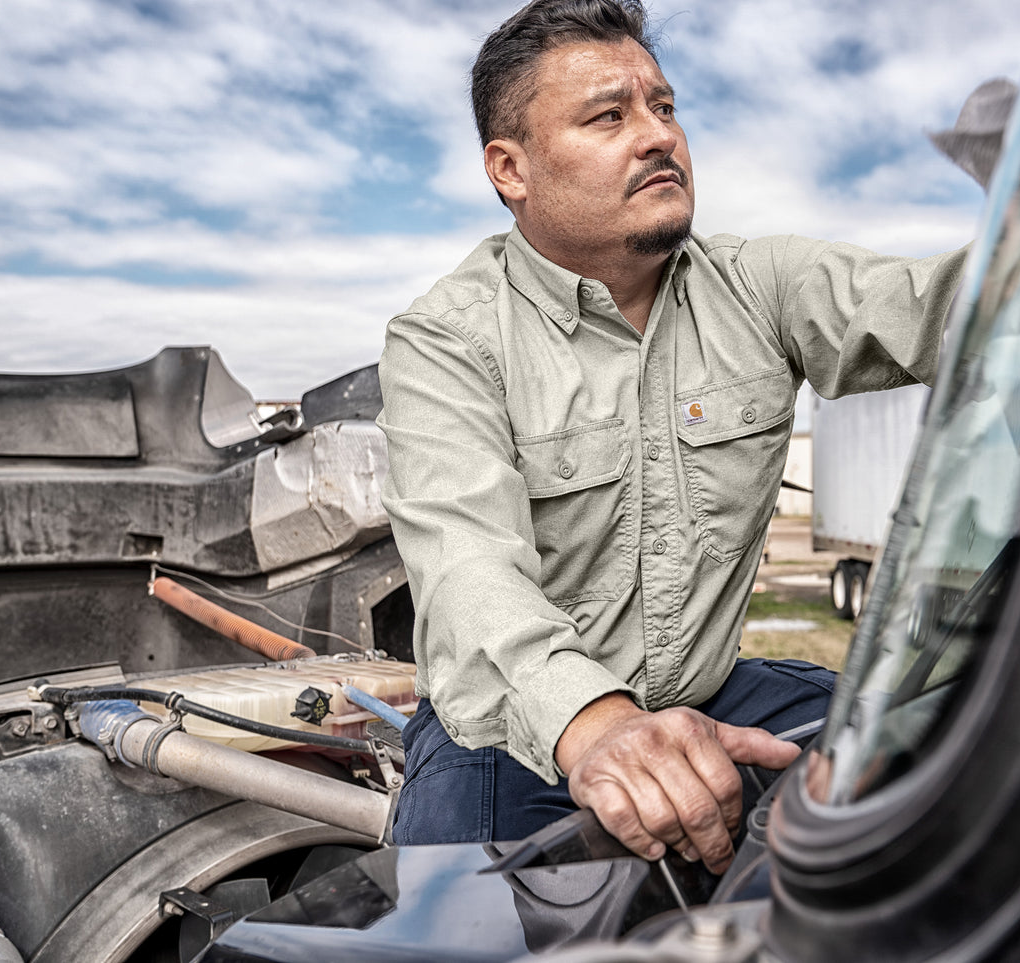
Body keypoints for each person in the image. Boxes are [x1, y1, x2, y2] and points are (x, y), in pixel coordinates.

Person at [377, 0, 967, 875]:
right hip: (512, 737)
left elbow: (951, 309)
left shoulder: (760, 285)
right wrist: (601, 726)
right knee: (457, 926)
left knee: (955, 771)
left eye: (663, 107)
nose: (657, 136)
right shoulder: (446, 339)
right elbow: (471, 574)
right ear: (511, 169)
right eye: (608, 115)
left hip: (713, 695)